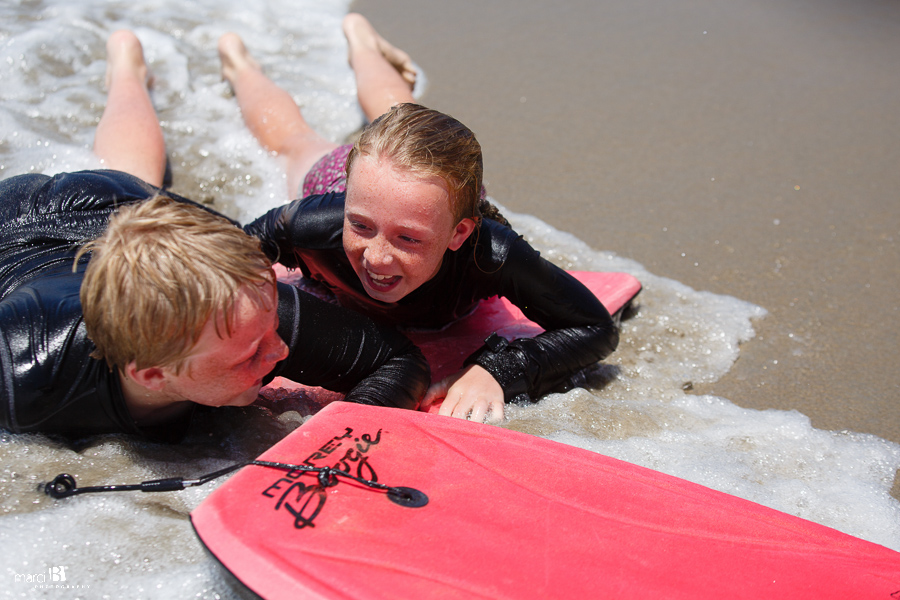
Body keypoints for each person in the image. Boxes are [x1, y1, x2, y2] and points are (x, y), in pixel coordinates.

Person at [0, 30, 428, 440]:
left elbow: (397, 359)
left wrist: (338, 438)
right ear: (151, 374)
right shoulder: (20, 370)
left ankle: (140, 68)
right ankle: (126, 63)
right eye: (248, 356)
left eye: (273, 327)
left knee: (132, 179)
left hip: (116, 209)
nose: (280, 352)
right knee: (131, 172)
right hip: (13, 230)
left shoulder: (246, 311)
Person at [223, 14, 619, 424]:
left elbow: (595, 328)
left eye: (408, 240)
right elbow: (223, 260)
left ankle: (361, 41)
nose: (376, 259)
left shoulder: (489, 253)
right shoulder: (311, 226)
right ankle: (238, 63)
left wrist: (495, 371)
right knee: (294, 142)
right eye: (360, 228)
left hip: (421, 189)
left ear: (458, 233)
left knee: (408, 116)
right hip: (367, 176)